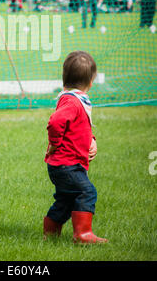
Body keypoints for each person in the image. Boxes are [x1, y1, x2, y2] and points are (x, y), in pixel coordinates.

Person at [43, 51, 108, 244]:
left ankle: (50, 234)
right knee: (86, 192)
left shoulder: (72, 98)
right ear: (90, 82)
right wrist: (54, 143)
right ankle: (82, 234)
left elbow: (79, 126)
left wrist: (92, 140)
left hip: (63, 165)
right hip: (67, 165)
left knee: (65, 199)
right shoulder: (73, 101)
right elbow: (56, 122)